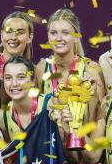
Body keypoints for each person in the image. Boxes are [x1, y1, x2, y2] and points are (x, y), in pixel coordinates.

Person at [38, 8, 106, 143]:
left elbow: (96, 122)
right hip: (50, 150)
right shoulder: (41, 69)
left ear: (76, 37)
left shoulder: (90, 70)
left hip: (82, 149)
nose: (58, 38)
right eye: (53, 33)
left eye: (65, 33)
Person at [0, 10, 36, 78]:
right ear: (2, 35)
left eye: (20, 32)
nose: (13, 37)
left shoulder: (35, 73)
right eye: (9, 32)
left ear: (30, 37)